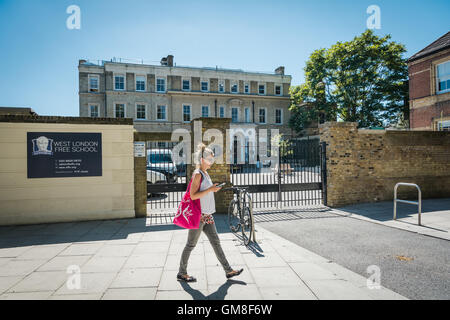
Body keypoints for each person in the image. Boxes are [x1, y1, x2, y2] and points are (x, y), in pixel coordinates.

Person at [177, 143, 244, 282]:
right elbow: (193, 195)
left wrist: (213, 189)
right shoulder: (197, 174)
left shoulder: (205, 173)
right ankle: (182, 273)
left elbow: (205, 192)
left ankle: (228, 270)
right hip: (199, 216)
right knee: (191, 244)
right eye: (210, 159)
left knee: (216, 242)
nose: (212, 162)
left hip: (207, 215)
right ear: (202, 160)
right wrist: (210, 190)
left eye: (213, 159)